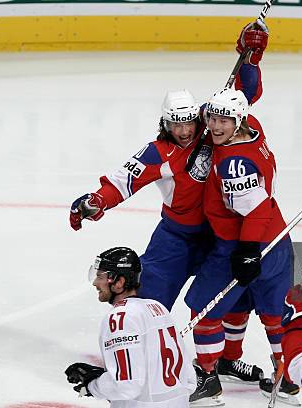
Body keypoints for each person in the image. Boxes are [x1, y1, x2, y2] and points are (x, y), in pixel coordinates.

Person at [68, 22, 271, 392]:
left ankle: (226, 358)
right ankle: (136, 362)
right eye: (175, 125)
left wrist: (252, 56)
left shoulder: (213, 124)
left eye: (188, 122)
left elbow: (245, 94)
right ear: (165, 123)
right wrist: (95, 201)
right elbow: (123, 180)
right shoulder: (158, 152)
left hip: (219, 233)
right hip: (175, 237)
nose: (184, 131)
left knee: (232, 295)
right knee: (146, 302)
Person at [184, 87, 300, 406]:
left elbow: (256, 210)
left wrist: (247, 250)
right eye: (213, 118)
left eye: (224, 120)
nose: (216, 126)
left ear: (238, 120)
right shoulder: (253, 130)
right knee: (267, 309)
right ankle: (284, 377)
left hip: (244, 243)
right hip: (277, 241)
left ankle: (208, 379)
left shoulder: (234, 163)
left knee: (204, 308)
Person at [64, 247, 195, 407]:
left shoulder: (120, 318)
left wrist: (93, 386)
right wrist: (103, 376)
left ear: (119, 282)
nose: (95, 283)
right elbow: (189, 379)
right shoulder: (157, 308)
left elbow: (127, 385)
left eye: (100, 277)